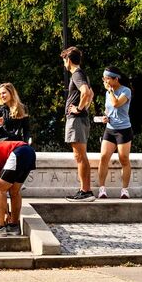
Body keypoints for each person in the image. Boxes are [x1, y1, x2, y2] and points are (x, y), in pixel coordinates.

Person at [61, 46, 95, 202]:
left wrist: (79, 109)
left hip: (76, 120)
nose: (64, 64)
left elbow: (86, 93)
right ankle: (86, 190)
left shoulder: (76, 74)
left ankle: (84, 191)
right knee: (82, 156)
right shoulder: (82, 74)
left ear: (68, 60)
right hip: (80, 119)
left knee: (79, 156)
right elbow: (91, 93)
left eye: (64, 60)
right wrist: (84, 108)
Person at [97, 65, 133, 199]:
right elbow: (109, 108)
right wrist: (105, 117)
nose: (104, 81)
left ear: (116, 79)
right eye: (104, 79)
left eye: (106, 79)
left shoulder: (126, 91)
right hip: (110, 129)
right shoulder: (108, 93)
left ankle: (124, 189)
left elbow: (117, 104)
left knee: (123, 158)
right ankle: (102, 189)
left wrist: (111, 92)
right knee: (103, 157)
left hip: (123, 130)